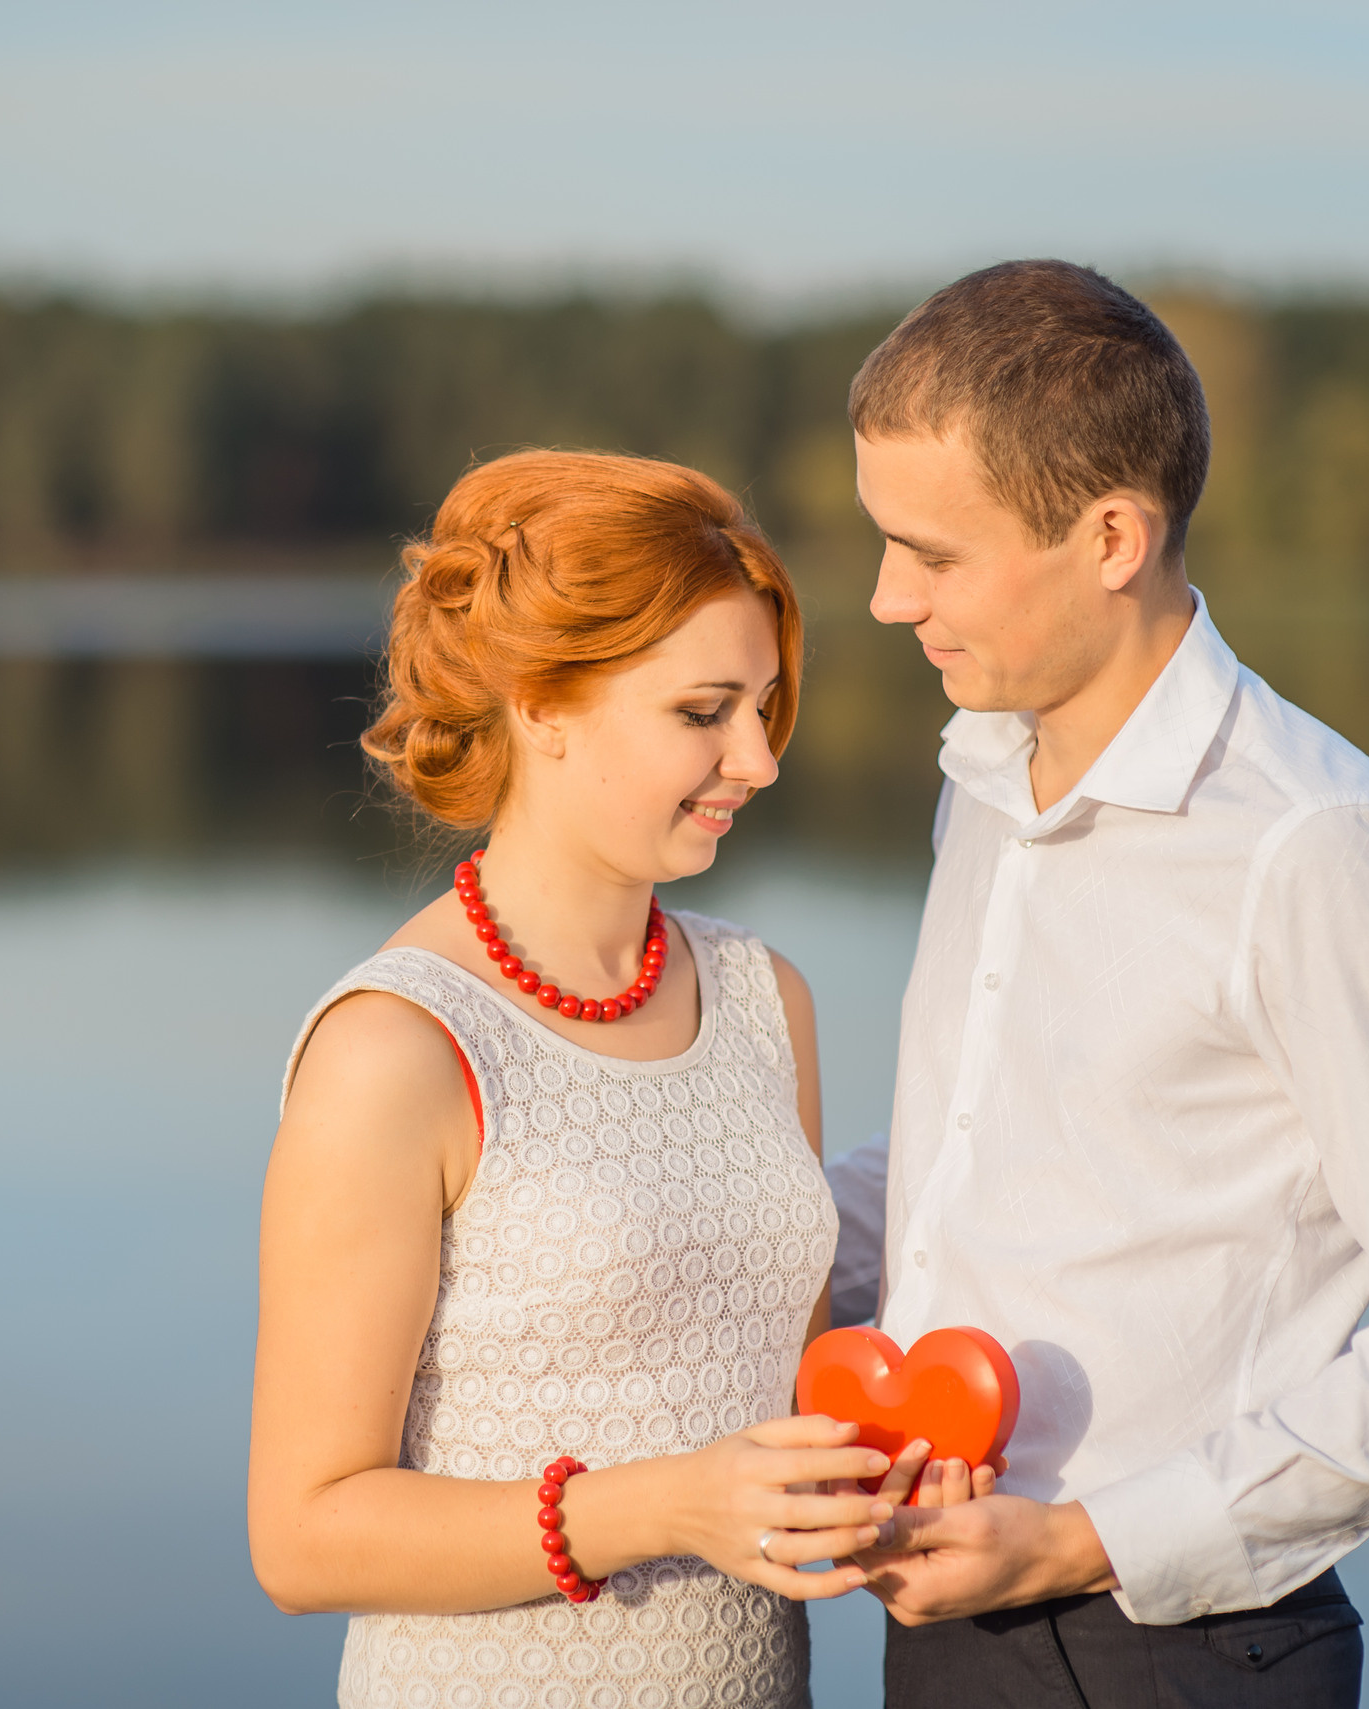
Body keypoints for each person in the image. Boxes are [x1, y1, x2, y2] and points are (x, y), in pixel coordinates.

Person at [839, 261, 1369, 1707]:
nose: (881, 599)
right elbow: (974, 1173)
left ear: (1111, 535)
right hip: (936, 1613)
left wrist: (1076, 1542)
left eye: (932, 553)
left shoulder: (1313, 851)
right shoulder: (984, 778)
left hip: (1165, 1654)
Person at [250, 450, 913, 1709]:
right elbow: (303, 1533)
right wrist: (662, 1505)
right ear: (543, 705)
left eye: (764, 706)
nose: (759, 759)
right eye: (703, 710)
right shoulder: (396, 1047)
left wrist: (883, 1471)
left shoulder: (769, 1002)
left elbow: (788, 1377)